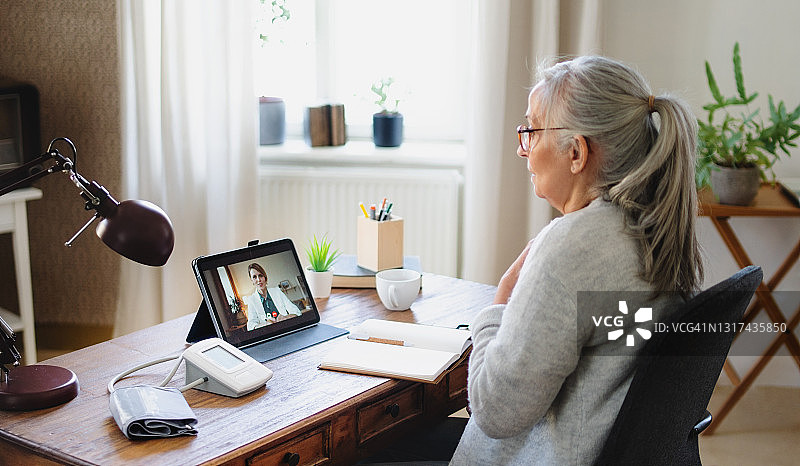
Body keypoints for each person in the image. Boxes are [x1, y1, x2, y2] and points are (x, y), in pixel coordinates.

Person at [448, 56, 704, 465]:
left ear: (576, 153)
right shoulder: (653, 226)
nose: (521, 149)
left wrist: (499, 302)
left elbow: (496, 411)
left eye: (530, 131)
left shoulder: (571, 248)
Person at [243, 263, 302, 331]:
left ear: (265, 277)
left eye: (260, 275)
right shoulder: (252, 300)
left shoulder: (277, 291)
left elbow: (297, 312)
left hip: (286, 328)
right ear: (252, 280)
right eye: (254, 277)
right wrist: (266, 324)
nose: (258, 280)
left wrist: (285, 318)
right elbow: (250, 326)